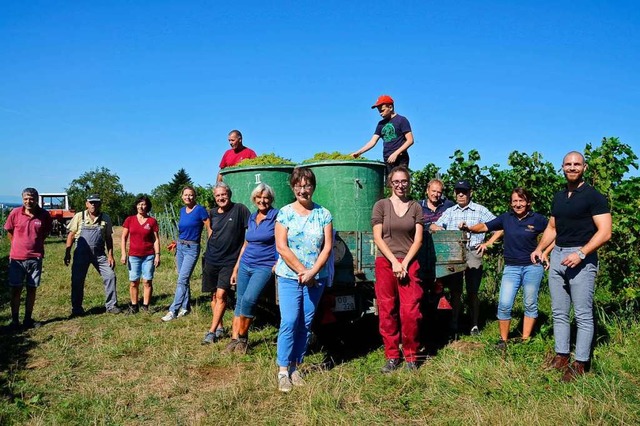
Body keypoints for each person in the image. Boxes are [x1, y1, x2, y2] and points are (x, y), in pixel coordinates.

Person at [531, 151, 611, 382]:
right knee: (559, 312)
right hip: (557, 257)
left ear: (584, 167)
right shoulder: (559, 197)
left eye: (577, 164)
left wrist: (582, 253)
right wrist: (540, 249)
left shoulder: (594, 196)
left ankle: (581, 363)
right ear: (562, 167)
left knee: (583, 314)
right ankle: (562, 355)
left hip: (581, 258)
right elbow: (552, 228)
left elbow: (605, 232)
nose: (572, 168)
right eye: (568, 164)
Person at [461, 188, 550, 348]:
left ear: (528, 202)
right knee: (504, 304)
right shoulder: (506, 218)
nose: (518, 204)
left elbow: (555, 232)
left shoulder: (538, 219)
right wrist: (469, 228)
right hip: (511, 268)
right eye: (515, 201)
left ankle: (525, 339)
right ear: (511, 203)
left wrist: (545, 251)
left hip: (532, 267)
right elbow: (485, 226)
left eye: (521, 201)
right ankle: (503, 340)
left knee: (530, 303)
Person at [274, 167, 333, 392]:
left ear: (313, 187)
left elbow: (327, 248)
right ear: (292, 187)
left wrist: (313, 272)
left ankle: (296, 366)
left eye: (307, 185)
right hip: (289, 277)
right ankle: (282, 371)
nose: (303, 189)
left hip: (315, 279)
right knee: (289, 321)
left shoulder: (324, 214)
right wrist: (302, 271)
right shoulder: (285, 213)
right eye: (298, 185)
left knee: (305, 324)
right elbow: (281, 246)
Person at [430, 180, 503, 336]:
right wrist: (436, 228)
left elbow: (500, 227)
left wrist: (487, 243)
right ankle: (455, 322)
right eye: (458, 191)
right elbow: (435, 225)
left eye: (464, 191)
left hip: (473, 252)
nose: (461, 194)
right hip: (455, 253)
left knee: (473, 291)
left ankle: (474, 324)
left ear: (471, 193)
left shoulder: (480, 210)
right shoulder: (450, 211)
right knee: (455, 290)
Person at [372, 166, 424, 373]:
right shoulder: (381, 206)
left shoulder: (415, 207)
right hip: (385, 262)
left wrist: (404, 262)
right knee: (387, 310)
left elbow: (418, 240)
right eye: (396, 182)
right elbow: (378, 237)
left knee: (411, 311)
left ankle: (411, 354)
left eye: (404, 181)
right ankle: (392, 355)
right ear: (390, 184)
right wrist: (394, 261)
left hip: (409, 262)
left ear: (408, 182)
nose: (400, 185)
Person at [223, 183, 278, 354]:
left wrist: (278, 262)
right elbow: (246, 244)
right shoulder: (252, 217)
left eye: (266, 198)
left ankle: (243, 339)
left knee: (249, 300)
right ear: (254, 199)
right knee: (240, 301)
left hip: (264, 266)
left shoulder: (277, 216)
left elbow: (283, 241)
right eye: (259, 198)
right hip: (246, 264)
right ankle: (234, 340)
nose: (263, 201)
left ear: (271, 199)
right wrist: (236, 267)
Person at [201, 182, 250, 344]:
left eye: (223, 194)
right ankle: (220, 326)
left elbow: (248, 236)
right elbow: (211, 232)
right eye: (217, 195)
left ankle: (211, 331)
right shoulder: (213, 213)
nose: (221, 198)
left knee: (222, 294)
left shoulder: (240, 210)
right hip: (211, 258)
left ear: (229, 194)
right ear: (214, 198)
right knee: (213, 295)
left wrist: (240, 262)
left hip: (229, 261)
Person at [4, 187, 52, 329]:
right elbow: (9, 231)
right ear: (22, 199)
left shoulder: (44, 215)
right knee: (16, 289)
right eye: (25, 198)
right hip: (17, 259)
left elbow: (45, 233)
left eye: (31, 198)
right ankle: (14, 321)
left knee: (32, 289)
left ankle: (27, 319)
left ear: (36, 199)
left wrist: (35, 245)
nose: (28, 201)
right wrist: (17, 246)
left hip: (35, 258)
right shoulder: (15, 213)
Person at [64, 194, 120, 315]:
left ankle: (111, 306)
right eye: (91, 202)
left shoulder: (105, 218)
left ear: (100, 204)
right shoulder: (80, 216)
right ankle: (77, 309)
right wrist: (67, 253)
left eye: (96, 202)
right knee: (77, 280)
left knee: (110, 276)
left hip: (99, 254)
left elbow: (108, 238)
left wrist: (110, 255)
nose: (93, 204)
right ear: (87, 204)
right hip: (81, 254)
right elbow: (71, 235)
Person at [161, 186, 211, 321]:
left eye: (191, 195)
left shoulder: (200, 210)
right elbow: (183, 231)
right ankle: (185, 306)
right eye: (185, 195)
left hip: (192, 248)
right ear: (182, 196)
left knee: (182, 279)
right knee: (184, 279)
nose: (188, 197)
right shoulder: (182, 211)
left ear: (195, 197)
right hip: (180, 247)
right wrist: (176, 243)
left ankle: (173, 310)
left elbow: (209, 227)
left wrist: (210, 245)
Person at [350, 95, 414, 174]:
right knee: (389, 184)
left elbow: (410, 140)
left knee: (399, 181)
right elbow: (372, 142)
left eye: (382, 110)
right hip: (387, 159)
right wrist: (358, 153)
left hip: (400, 158)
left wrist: (396, 153)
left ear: (390, 108)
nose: (380, 113)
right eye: (379, 111)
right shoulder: (381, 124)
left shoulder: (401, 120)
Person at [120, 195, 161, 313]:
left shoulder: (152, 221)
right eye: (139, 204)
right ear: (136, 206)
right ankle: (134, 305)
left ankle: (145, 306)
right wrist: (124, 253)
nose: (141, 207)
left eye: (143, 204)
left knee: (147, 281)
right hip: (134, 256)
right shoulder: (130, 220)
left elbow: (156, 239)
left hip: (149, 255)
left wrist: (157, 254)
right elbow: (124, 237)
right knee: (134, 281)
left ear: (147, 206)